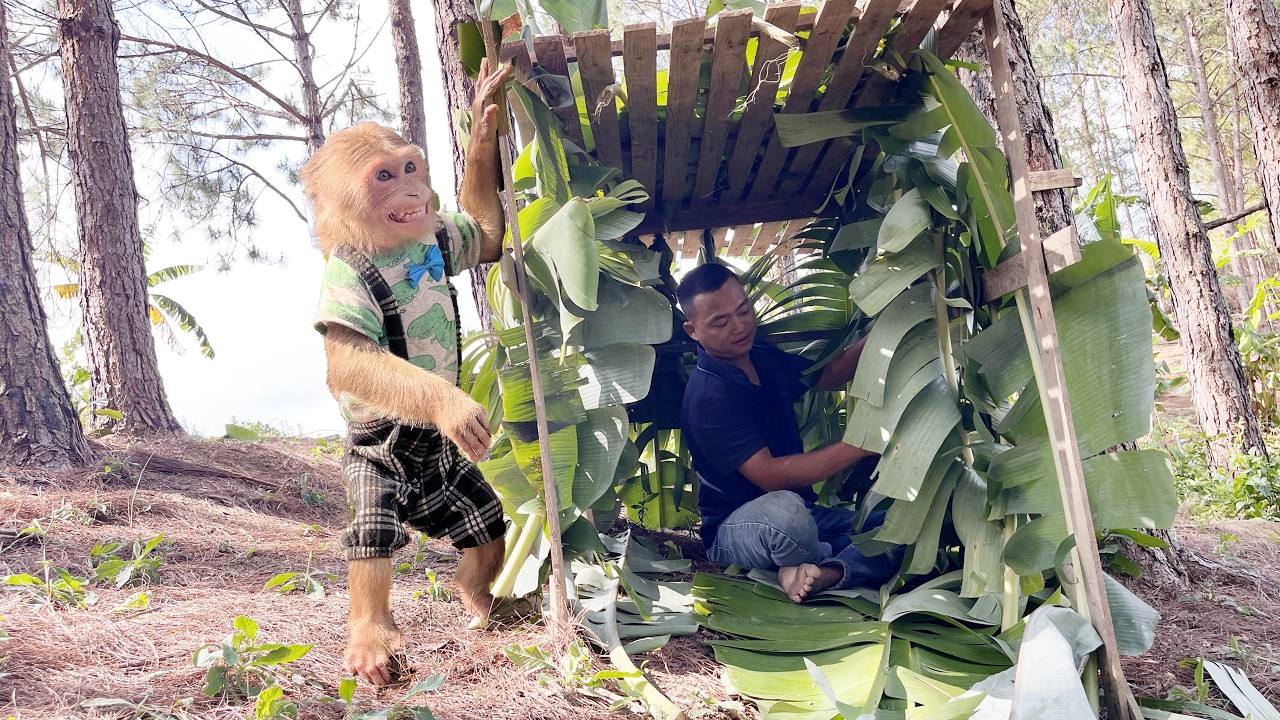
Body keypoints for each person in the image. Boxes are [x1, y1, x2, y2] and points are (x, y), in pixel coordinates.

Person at [677, 262, 900, 602]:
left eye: (744, 311)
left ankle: (827, 571)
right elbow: (769, 476)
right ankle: (827, 555)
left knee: (904, 525)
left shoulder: (760, 354)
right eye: (720, 322)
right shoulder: (707, 397)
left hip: (807, 515)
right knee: (785, 514)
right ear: (693, 331)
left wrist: (887, 332)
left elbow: (826, 375)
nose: (739, 326)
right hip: (740, 528)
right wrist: (861, 443)